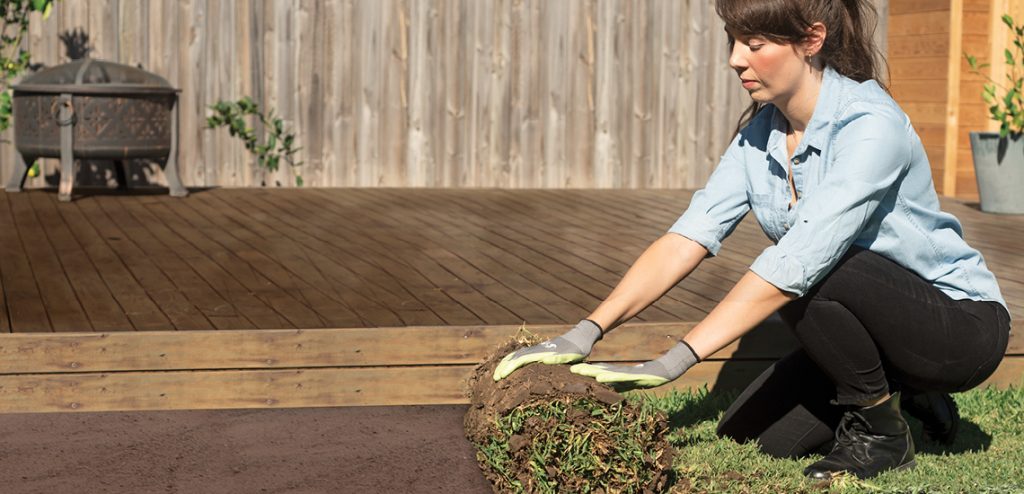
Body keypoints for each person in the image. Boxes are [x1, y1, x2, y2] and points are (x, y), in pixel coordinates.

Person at [491, 0, 1012, 481]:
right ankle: (905, 391)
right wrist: (587, 330)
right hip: (864, 315)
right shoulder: (760, 134)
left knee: (813, 265)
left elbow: (799, 261)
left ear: (811, 40)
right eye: (733, 40)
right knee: (755, 436)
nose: (737, 60)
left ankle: (883, 433)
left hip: (956, 324)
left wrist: (675, 361)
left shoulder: (871, 126)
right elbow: (689, 235)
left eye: (756, 44)